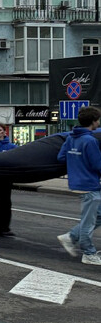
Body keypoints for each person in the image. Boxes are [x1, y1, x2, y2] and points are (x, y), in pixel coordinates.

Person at [56, 106, 101, 266]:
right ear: (94, 122)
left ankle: (71, 237)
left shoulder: (70, 138)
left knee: (98, 216)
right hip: (90, 184)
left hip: (78, 182)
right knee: (88, 222)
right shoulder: (90, 140)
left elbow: (61, 158)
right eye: (98, 120)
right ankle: (88, 253)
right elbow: (98, 165)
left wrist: (76, 162)